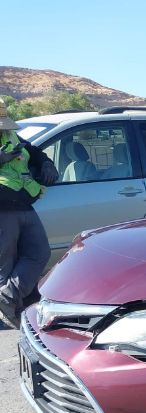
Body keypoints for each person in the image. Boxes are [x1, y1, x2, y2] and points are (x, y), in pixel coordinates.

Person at [0, 102, 58, 328]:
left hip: (24, 204)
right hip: (2, 210)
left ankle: (7, 299)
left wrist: (46, 164)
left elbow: (34, 152)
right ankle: (13, 313)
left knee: (39, 252)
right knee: (5, 264)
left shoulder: (11, 136)